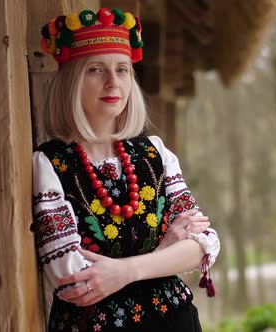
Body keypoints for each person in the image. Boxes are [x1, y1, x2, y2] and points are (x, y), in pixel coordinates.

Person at [31, 8, 220, 332]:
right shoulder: (51, 164)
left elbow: (203, 244)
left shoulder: (155, 154)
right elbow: (72, 281)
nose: (112, 82)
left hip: (175, 322)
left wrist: (124, 271)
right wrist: (162, 253)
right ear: (72, 80)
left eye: (122, 70)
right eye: (95, 70)